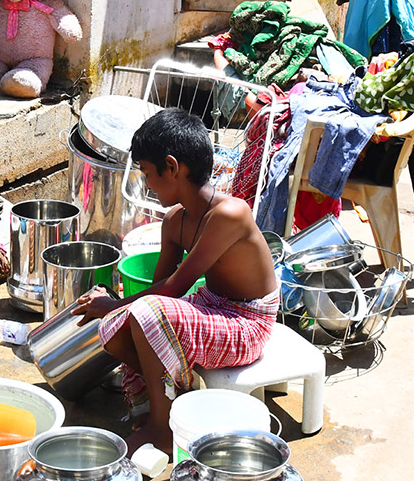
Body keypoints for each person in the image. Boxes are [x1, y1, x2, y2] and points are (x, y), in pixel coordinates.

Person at [72, 108, 279, 454]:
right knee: (120, 324)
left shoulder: (230, 214)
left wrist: (110, 303)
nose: (147, 184)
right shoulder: (175, 220)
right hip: (209, 308)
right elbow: (158, 289)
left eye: (149, 173)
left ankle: (163, 428)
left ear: (172, 167)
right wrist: (116, 311)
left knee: (145, 313)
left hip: (247, 323)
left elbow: (172, 290)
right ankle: (169, 402)